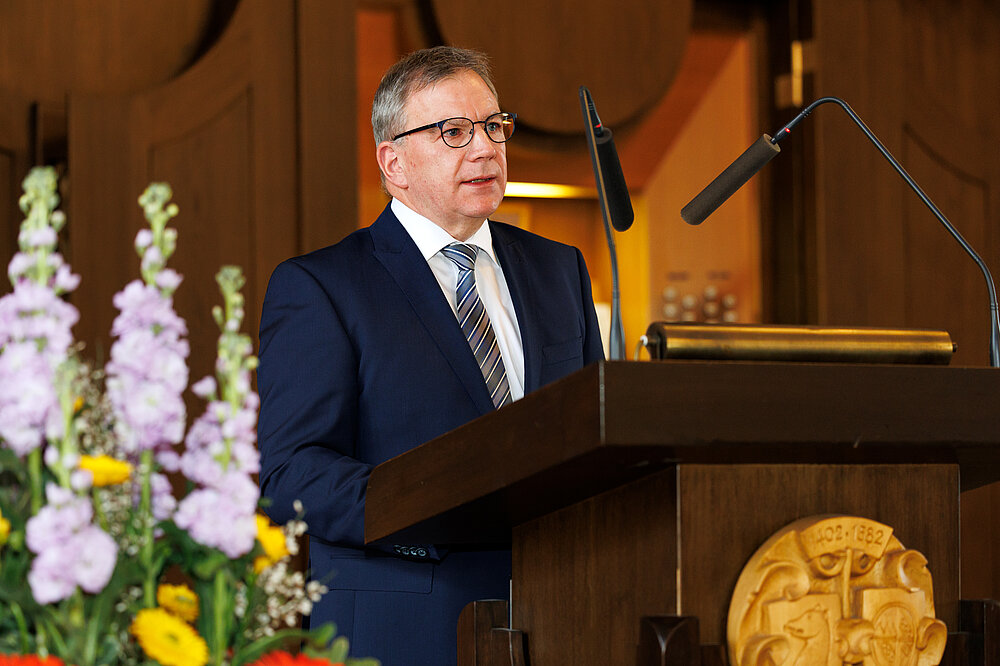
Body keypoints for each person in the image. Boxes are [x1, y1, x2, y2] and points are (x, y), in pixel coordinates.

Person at [257, 46, 604, 665]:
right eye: (453, 132)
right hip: (405, 626)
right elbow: (292, 474)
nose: (485, 149)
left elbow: (585, 439)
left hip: (561, 619)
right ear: (393, 162)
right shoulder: (322, 287)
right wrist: (443, 505)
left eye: (493, 126)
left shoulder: (560, 269)